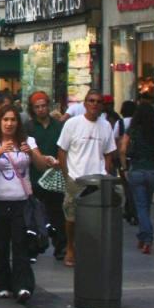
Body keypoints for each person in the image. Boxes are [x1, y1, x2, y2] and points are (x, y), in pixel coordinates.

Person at [0, 107, 48, 303]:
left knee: (21, 244)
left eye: (13, 120)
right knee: (0, 245)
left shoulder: (27, 142)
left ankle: (23, 286)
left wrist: (32, 153)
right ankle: (2, 284)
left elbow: (41, 165)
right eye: (6, 119)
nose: (9, 123)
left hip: (22, 202)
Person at [56, 89, 116, 268]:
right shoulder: (73, 124)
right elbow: (62, 150)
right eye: (91, 101)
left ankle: (92, 250)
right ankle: (70, 248)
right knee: (71, 217)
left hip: (97, 180)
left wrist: (105, 171)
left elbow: (108, 152)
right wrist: (66, 175)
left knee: (96, 218)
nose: (94, 104)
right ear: (85, 103)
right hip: (76, 177)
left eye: (98, 101)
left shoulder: (106, 126)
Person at [120, 102, 154, 254]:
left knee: (140, 205)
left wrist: (124, 167)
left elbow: (122, 149)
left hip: (137, 170)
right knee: (146, 205)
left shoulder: (131, 130)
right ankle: (143, 235)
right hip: (152, 172)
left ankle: (147, 238)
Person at [23, 92, 65, 261]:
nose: (41, 109)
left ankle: (60, 246)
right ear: (32, 109)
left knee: (57, 212)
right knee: (34, 214)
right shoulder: (28, 127)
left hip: (55, 176)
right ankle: (34, 245)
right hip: (34, 177)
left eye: (43, 105)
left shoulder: (58, 126)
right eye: (37, 107)